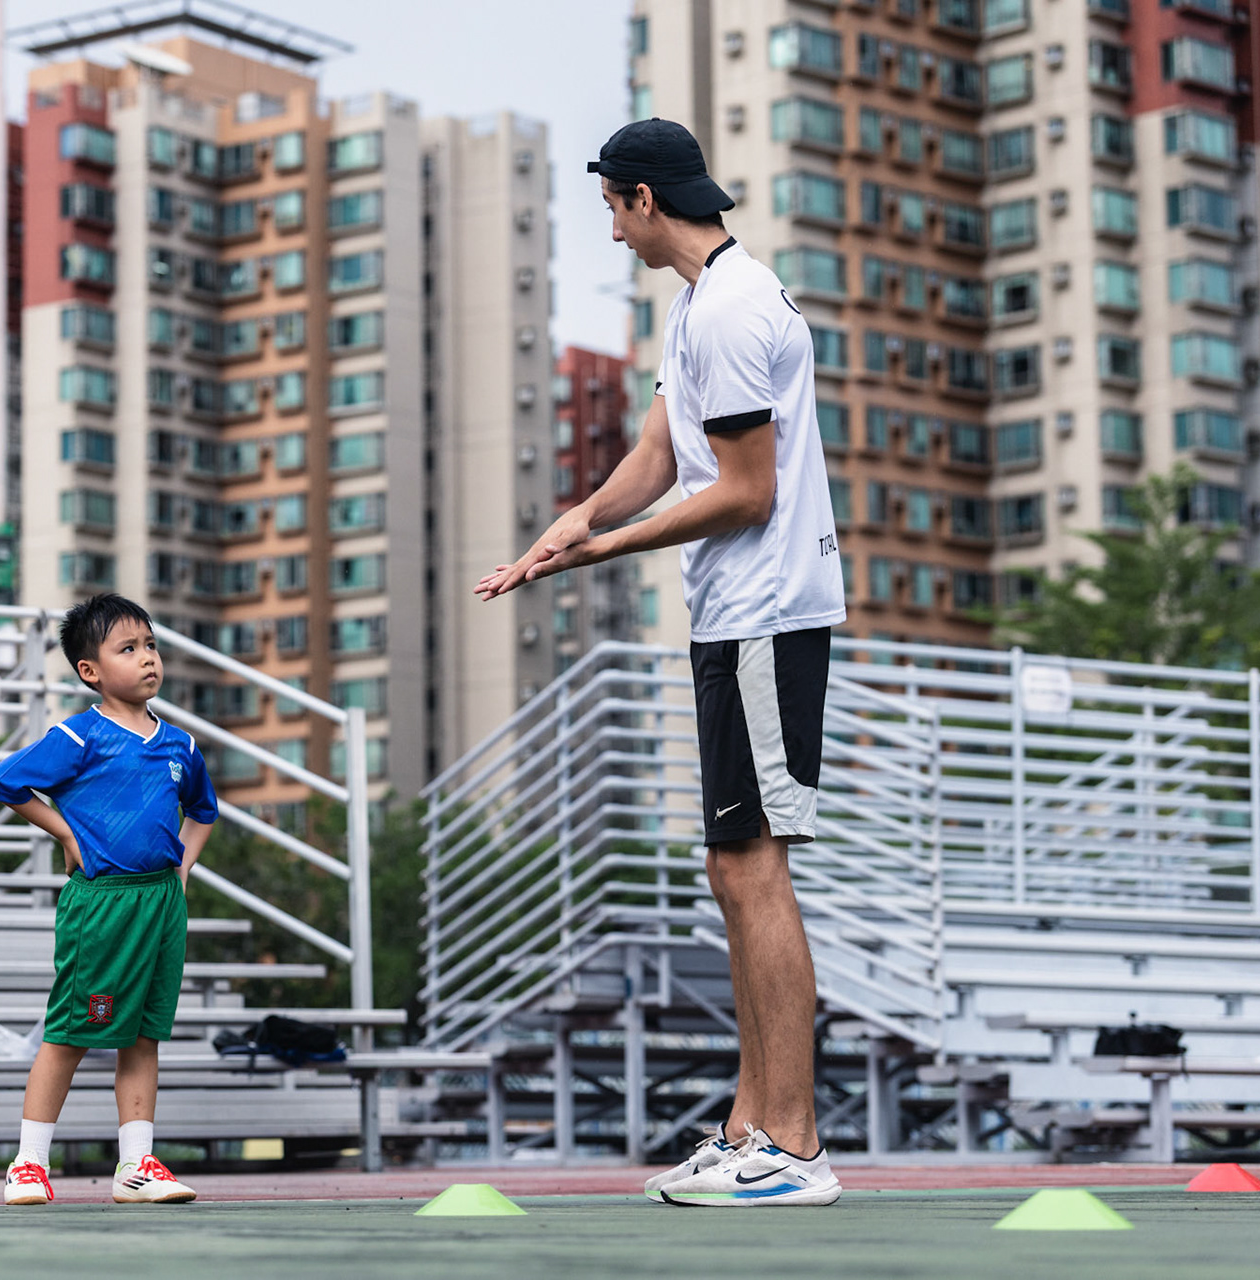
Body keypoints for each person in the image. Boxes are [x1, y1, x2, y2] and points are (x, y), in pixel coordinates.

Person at [476, 118, 847, 1208]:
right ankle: (749, 1123)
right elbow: (657, 455)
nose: (610, 227)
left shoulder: (733, 310)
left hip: (768, 615)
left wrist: (603, 550)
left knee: (756, 866)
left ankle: (796, 1141)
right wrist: (573, 519)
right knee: (730, 866)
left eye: (609, 207)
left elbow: (744, 491)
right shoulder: (699, 304)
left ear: (643, 199)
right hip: (732, 618)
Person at [0, 593, 219, 1206]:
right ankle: (28, 1165)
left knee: (142, 1036)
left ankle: (137, 1166)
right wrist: (64, 831)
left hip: (161, 904)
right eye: (129, 649)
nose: (148, 660)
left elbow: (203, 812)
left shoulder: (180, 746)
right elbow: (4, 782)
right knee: (71, 1032)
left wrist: (184, 868)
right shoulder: (80, 735)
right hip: (103, 905)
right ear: (90, 671)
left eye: (151, 646)